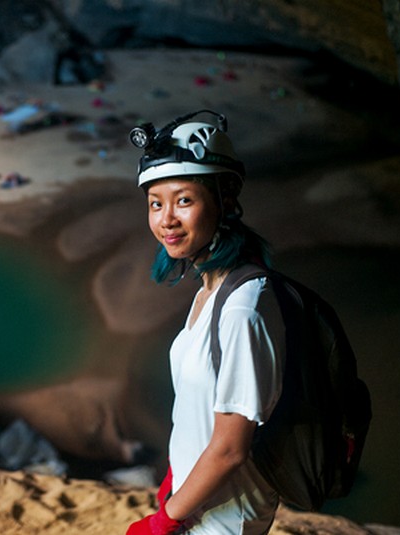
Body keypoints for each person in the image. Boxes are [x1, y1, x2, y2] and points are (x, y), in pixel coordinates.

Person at [125, 111, 286, 534]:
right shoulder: (209, 292)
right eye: (156, 203)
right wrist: (173, 483)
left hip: (224, 520)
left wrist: (164, 520)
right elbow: (197, 414)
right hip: (195, 504)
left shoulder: (242, 308)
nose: (166, 220)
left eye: (184, 200)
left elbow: (231, 448)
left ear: (225, 200)